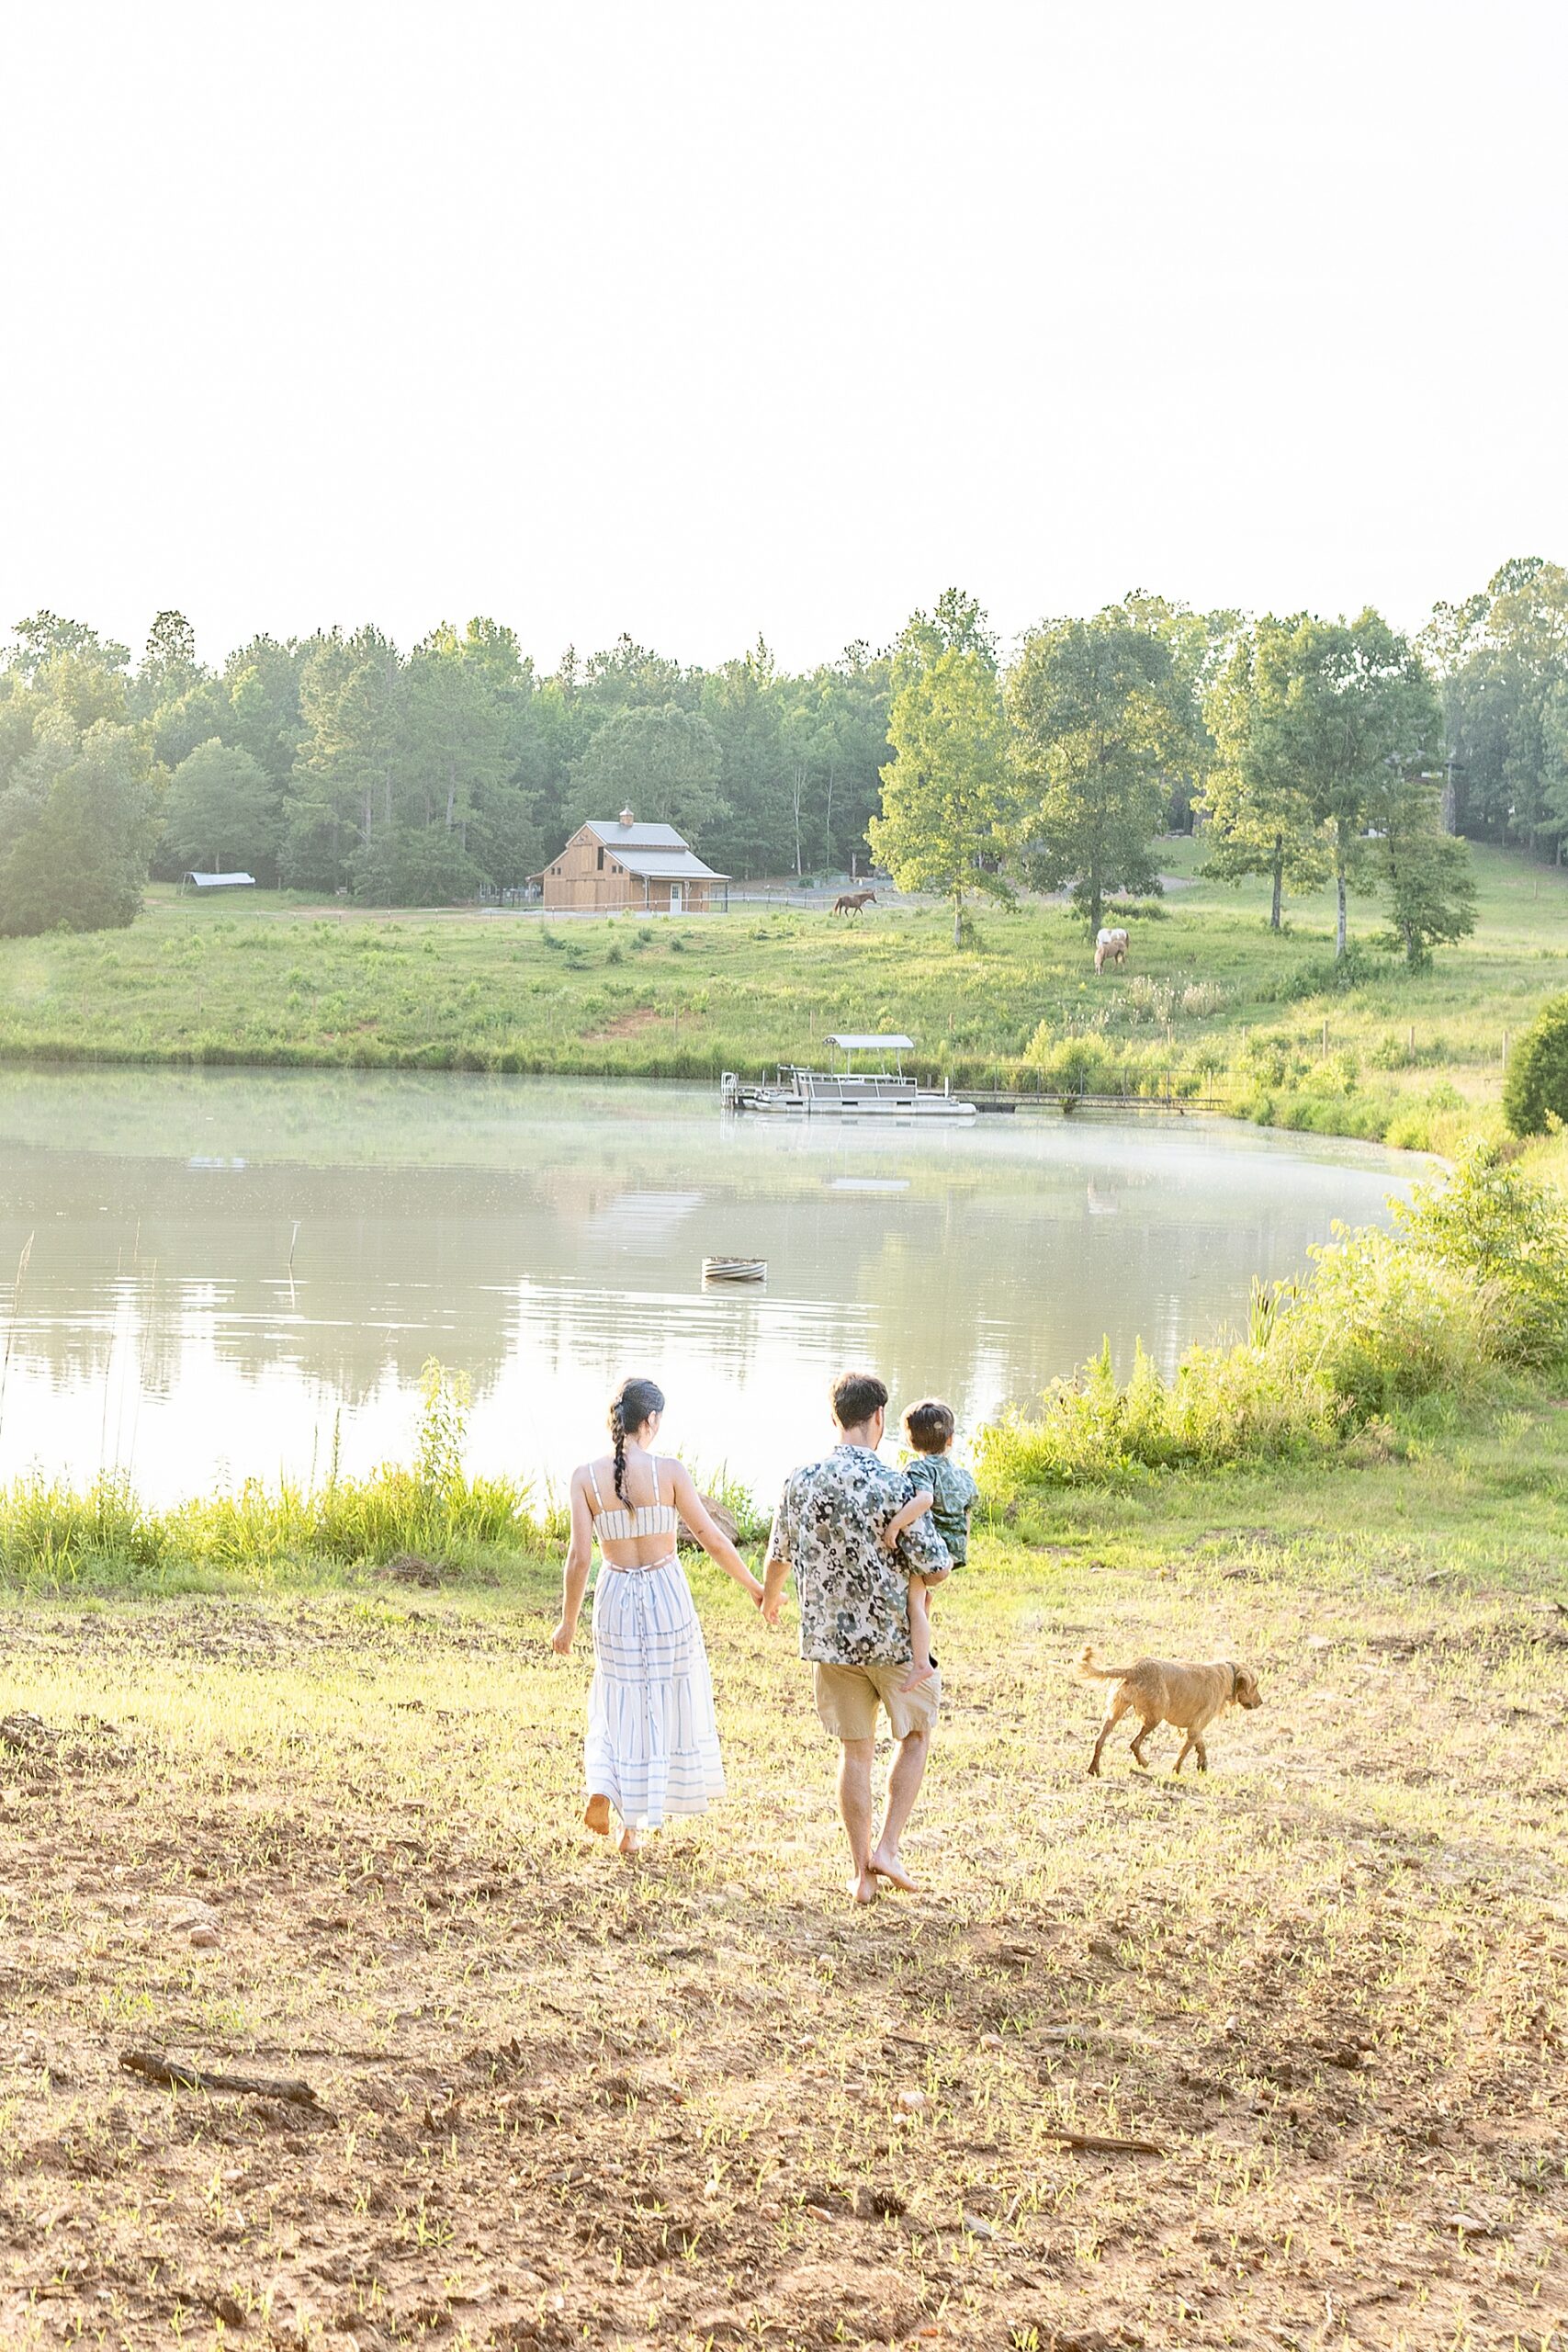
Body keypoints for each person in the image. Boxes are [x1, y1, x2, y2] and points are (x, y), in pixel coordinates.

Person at [552, 1375, 765, 1855]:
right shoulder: (669, 1472)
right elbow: (712, 1538)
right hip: (665, 1595)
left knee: (616, 1696)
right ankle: (632, 1829)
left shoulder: (584, 1477)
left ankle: (603, 1785)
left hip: (614, 1598)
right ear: (650, 1421)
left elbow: (579, 1558)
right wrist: (755, 1589)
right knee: (658, 1702)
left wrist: (567, 1622)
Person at [761, 1370, 950, 1904]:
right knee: (914, 1736)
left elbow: (778, 1557)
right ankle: (887, 1847)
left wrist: (771, 1598)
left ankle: (861, 1875)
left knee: (855, 1753)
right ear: (878, 1420)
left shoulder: (799, 1481)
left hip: (830, 1644)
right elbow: (935, 1568)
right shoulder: (896, 1485)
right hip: (893, 1642)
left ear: (835, 1418)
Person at [878, 1397, 979, 1695]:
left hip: (930, 1554)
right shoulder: (963, 1475)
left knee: (913, 1600)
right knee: (922, 1599)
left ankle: (921, 1662)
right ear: (950, 1439)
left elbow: (925, 1500)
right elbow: (968, 1510)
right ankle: (922, 1624)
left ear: (910, 1441)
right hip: (950, 1555)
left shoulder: (919, 1469)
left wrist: (895, 1525)